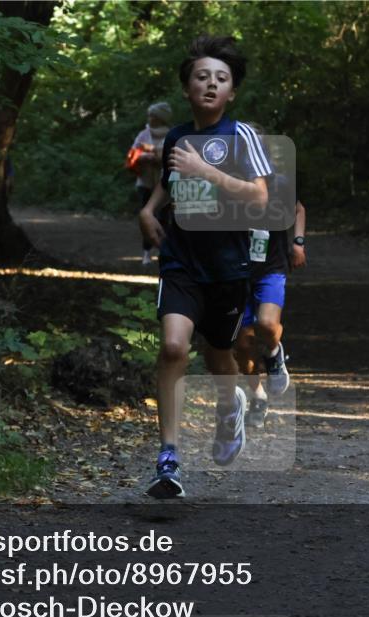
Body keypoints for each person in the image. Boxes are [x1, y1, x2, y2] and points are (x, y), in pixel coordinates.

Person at [138, 35, 271, 498]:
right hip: (181, 262)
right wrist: (148, 210)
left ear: (231, 92)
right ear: (188, 89)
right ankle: (168, 458)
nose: (211, 84)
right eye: (202, 77)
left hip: (229, 267)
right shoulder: (176, 137)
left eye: (221, 78)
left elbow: (259, 196)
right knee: (174, 348)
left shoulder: (242, 136)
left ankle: (230, 406)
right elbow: (169, 184)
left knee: (220, 358)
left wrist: (206, 171)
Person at [233, 125, 307, 428]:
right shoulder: (224, 184)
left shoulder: (279, 183)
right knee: (243, 345)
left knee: (266, 325)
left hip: (271, 267)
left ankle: (275, 353)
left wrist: (298, 242)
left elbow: (298, 209)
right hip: (234, 274)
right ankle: (258, 397)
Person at [130, 102, 172, 264]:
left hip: (164, 184)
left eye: (152, 115)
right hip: (145, 182)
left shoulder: (171, 135)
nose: (149, 118)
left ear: (160, 118)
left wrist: (159, 158)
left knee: (164, 218)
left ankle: (164, 251)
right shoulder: (143, 134)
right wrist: (144, 157)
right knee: (146, 217)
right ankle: (146, 253)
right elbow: (133, 153)